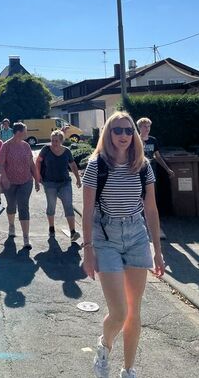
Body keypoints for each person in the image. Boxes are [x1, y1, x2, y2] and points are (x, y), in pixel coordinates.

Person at [82, 111, 164, 378]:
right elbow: (87, 210)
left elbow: (151, 210)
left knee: (134, 312)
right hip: (106, 238)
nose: (124, 135)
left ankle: (128, 370)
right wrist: (87, 250)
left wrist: (158, 251)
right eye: (117, 130)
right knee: (119, 312)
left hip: (137, 236)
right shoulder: (96, 166)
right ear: (108, 133)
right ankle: (104, 345)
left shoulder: (143, 165)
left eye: (129, 131)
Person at [0, 122, 41, 250]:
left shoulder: (26, 146)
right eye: (25, 131)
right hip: (10, 182)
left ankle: (26, 238)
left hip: (25, 181)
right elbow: (1, 164)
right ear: (18, 132)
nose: (26, 134)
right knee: (11, 206)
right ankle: (11, 225)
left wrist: (36, 179)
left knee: (23, 206)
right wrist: (4, 177)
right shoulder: (6, 146)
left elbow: (31, 164)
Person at [36, 129, 82, 241]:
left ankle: (72, 232)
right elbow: (38, 161)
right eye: (52, 140)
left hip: (64, 182)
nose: (54, 143)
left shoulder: (66, 151)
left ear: (61, 141)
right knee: (51, 206)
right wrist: (38, 176)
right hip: (49, 183)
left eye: (56, 141)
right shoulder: (46, 149)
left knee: (68, 206)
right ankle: (51, 228)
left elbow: (73, 165)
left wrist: (78, 179)